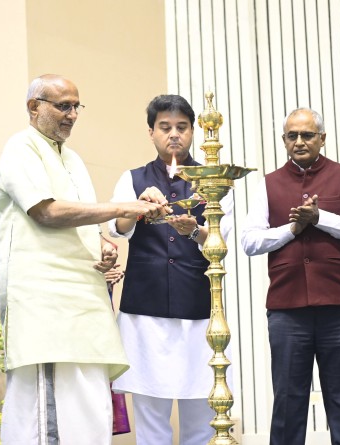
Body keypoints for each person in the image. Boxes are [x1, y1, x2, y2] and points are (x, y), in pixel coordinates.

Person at [0, 74, 167, 445]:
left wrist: (102, 243)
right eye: (63, 106)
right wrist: (123, 207)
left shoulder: (72, 159)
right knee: (49, 413)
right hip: (45, 305)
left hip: (85, 301)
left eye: (76, 106)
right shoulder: (21, 147)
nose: (72, 115)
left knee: (91, 405)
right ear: (34, 107)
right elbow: (46, 212)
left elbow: (83, 221)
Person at [241, 107, 340, 445]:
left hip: (339, 308)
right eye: (292, 136)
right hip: (287, 311)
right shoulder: (268, 184)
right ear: (284, 140)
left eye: (307, 135)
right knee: (288, 402)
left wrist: (320, 218)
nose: (299, 141)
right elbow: (249, 241)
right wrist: (291, 229)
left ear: (322, 138)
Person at [108, 94, 233, 445]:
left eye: (181, 127)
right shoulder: (132, 178)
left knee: (201, 414)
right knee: (151, 418)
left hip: (198, 309)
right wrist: (136, 206)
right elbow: (115, 229)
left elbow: (222, 239)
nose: (174, 134)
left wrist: (194, 230)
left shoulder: (213, 180)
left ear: (193, 131)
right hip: (144, 312)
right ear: (151, 132)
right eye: (165, 127)